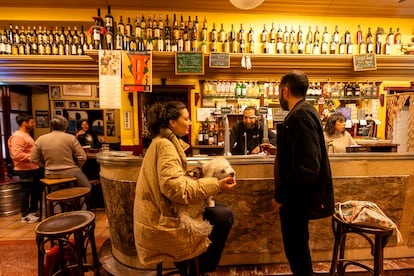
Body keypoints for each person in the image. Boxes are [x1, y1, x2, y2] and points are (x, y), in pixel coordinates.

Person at [133, 101, 237, 275]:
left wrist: (195, 174)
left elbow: (171, 180)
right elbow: (176, 190)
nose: (190, 123)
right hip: (162, 221)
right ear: (172, 122)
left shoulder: (162, 141)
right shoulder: (166, 145)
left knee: (219, 211)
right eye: (187, 119)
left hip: (158, 214)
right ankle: (198, 268)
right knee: (224, 216)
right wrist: (216, 185)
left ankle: (191, 266)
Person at [271, 70, 334, 276]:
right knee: (297, 249)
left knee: (297, 251)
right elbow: (303, 152)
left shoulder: (299, 115)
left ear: (285, 91)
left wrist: (281, 196)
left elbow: (308, 166)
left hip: (296, 198)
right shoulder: (306, 110)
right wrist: (280, 151)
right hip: (298, 196)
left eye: (280, 92)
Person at [31, 116, 91, 188]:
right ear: (65, 126)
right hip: (71, 172)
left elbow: (33, 159)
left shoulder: (41, 139)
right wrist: (78, 166)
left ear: (52, 126)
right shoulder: (70, 138)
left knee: (57, 189)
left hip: (50, 174)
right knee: (87, 187)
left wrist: (46, 165)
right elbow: (83, 157)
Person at [8, 113, 42, 223]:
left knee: (35, 190)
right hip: (25, 169)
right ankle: (25, 215)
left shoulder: (26, 135)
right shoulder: (18, 137)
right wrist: (34, 156)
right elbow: (16, 155)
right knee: (26, 191)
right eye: (32, 122)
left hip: (33, 167)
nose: (34, 124)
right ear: (24, 123)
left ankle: (32, 211)